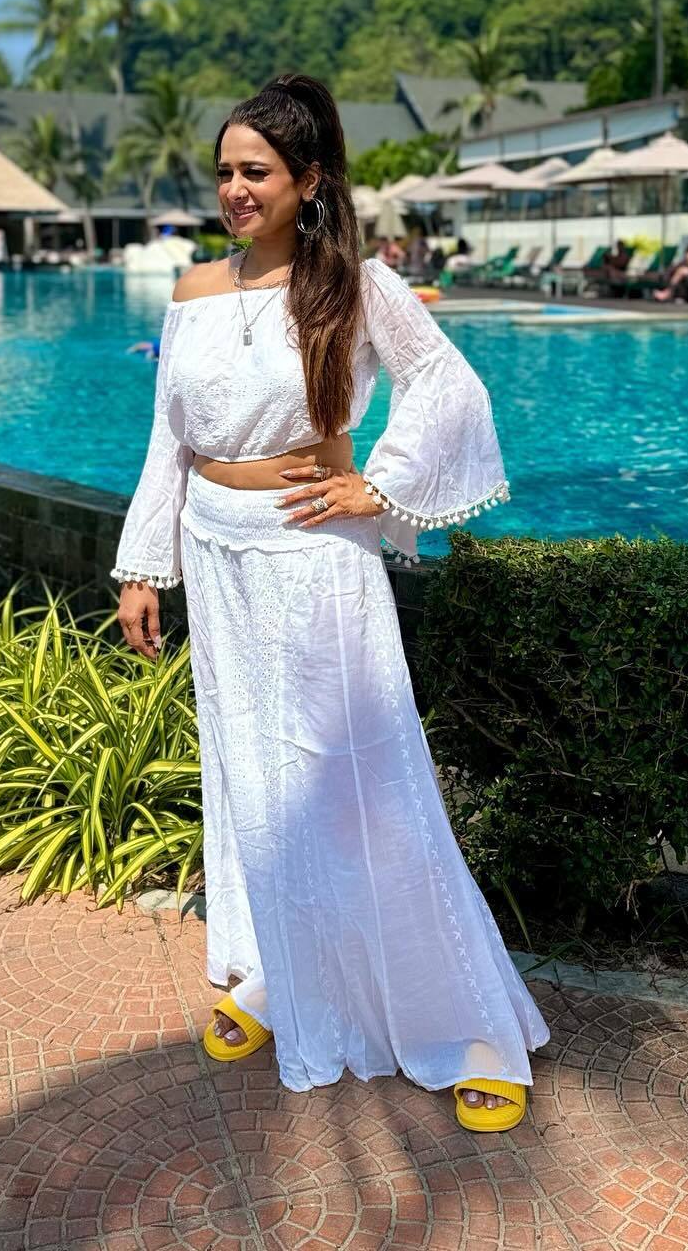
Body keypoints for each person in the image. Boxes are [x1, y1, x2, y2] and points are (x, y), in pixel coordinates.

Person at [113, 73, 547, 1131]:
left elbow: (448, 384)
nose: (234, 189)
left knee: (362, 780)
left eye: (255, 171)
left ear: (308, 181)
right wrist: (142, 564)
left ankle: (466, 1023)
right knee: (256, 774)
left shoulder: (353, 284)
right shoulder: (193, 290)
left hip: (312, 553)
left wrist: (379, 486)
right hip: (217, 552)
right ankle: (286, 971)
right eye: (224, 171)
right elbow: (170, 437)